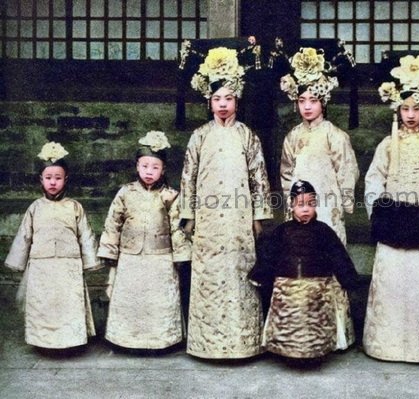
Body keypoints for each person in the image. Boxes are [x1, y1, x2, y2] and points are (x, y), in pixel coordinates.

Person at [180, 47, 273, 359]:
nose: (223, 105)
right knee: (209, 276)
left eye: (229, 99)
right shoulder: (199, 137)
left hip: (238, 219)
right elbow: (188, 177)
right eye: (217, 99)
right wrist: (188, 214)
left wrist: (259, 215)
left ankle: (241, 344)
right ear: (209, 101)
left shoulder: (248, 136)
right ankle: (206, 345)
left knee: (239, 276)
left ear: (237, 101)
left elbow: (259, 177)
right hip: (208, 221)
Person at [362, 54, 419, 362]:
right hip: (392, 216)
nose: (411, 114)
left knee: (416, 282)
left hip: (417, 220)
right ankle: (385, 345)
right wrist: (382, 209)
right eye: (405, 108)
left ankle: (417, 347)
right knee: (391, 282)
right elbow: (375, 178)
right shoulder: (388, 144)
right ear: (397, 109)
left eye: (417, 108)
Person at [279, 47, 359, 348]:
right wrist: (293, 204)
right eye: (302, 101)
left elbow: (347, 171)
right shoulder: (292, 137)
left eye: (313, 100)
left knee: (329, 262)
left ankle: (335, 334)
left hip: (327, 208)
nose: (307, 106)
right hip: (300, 209)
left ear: (323, 102)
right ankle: (298, 329)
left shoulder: (335, 135)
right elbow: (287, 173)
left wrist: (340, 205)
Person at [97, 131, 190, 350]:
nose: (149, 171)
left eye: (155, 167)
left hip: (160, 258)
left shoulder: (170, 196)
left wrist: (181, 255)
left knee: (158, 301)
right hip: (131, 258)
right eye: (145, 166)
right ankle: (126, 341)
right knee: (132, 300)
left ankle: (161, 341)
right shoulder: (125, 193)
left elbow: (177, 229)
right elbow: (113, 223)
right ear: (137, 167)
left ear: (163, 170)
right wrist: (110, 252)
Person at [249, 180, 359, 359]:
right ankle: (287, 351)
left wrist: (349, 279)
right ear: (291, 205)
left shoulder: (324, 231)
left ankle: (315, 351)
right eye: (300, 205)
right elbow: (269, 256)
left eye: (310, 204)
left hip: (316, 291)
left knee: (314, 324)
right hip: (287, 292)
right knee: (289, 323)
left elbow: (338, 256)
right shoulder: (281, 232)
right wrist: (261, 275)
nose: (306, 209)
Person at [5, 142, 100, 350]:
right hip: (42, 266)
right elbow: (25, 236)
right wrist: (17, 263)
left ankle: (71, 341)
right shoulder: (35, 208)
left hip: (69, 266)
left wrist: (90, 261)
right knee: (43, 305)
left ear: (66, 179)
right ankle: (43, 341)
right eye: (48, 178)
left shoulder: (75, 207)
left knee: (68, 304)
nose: (53, 183)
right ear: (41, 180)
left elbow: (85, 235)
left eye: (58, 178)